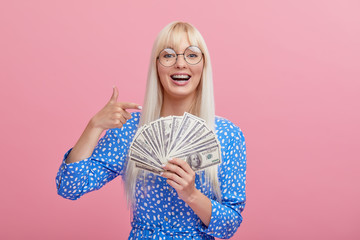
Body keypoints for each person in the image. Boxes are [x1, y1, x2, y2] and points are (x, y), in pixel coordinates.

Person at [56, 21, 247, 239]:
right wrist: (94, 126)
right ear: (156, 65)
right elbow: (69, 187)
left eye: (192, 55)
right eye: (168, 55)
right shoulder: (129, 129)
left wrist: (191, 195)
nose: (180, 64)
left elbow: (230, 225)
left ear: (204, 65)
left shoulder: (227, 135)